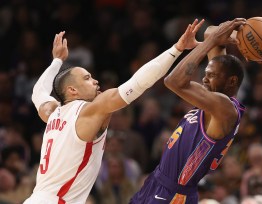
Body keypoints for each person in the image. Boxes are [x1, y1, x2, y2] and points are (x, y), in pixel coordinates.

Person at [24, 19, 204, 204]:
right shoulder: (90, 110)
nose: (95, 81)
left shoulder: (52, 113)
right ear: (72, 90)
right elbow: (138, 83)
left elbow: (38, 92)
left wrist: (56, 61)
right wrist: (177, 48)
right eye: (87, 78)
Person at [130, 18, 247, 204]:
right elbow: (211, 32)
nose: (204, 80)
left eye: (211, 75)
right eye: (205, 74)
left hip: (174, 194)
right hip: (157, 181)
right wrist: (240, 34)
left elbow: (173, 81)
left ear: (232, 81)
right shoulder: (213, 98)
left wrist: (209, 42)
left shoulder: (225, 108)